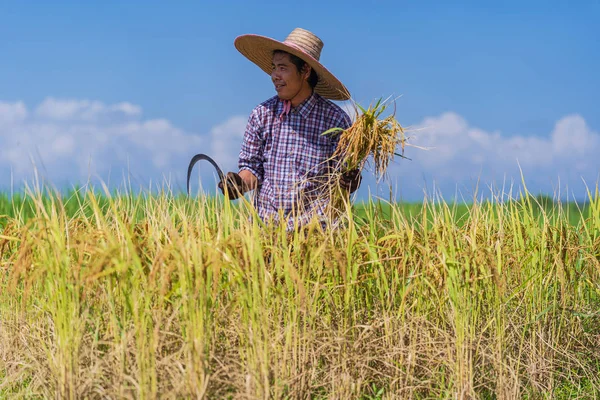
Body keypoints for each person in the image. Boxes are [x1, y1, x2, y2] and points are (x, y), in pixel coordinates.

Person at [219, 28, 361, 230]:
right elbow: (252, 168)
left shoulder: (335, 120)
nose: (274, 75)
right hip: (266, 232)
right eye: (274, 67)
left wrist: (349, 182)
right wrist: (238, 184)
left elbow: (342, 177)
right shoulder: (262, 114)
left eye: (283, 68)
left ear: (305, 71)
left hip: (315, 234)